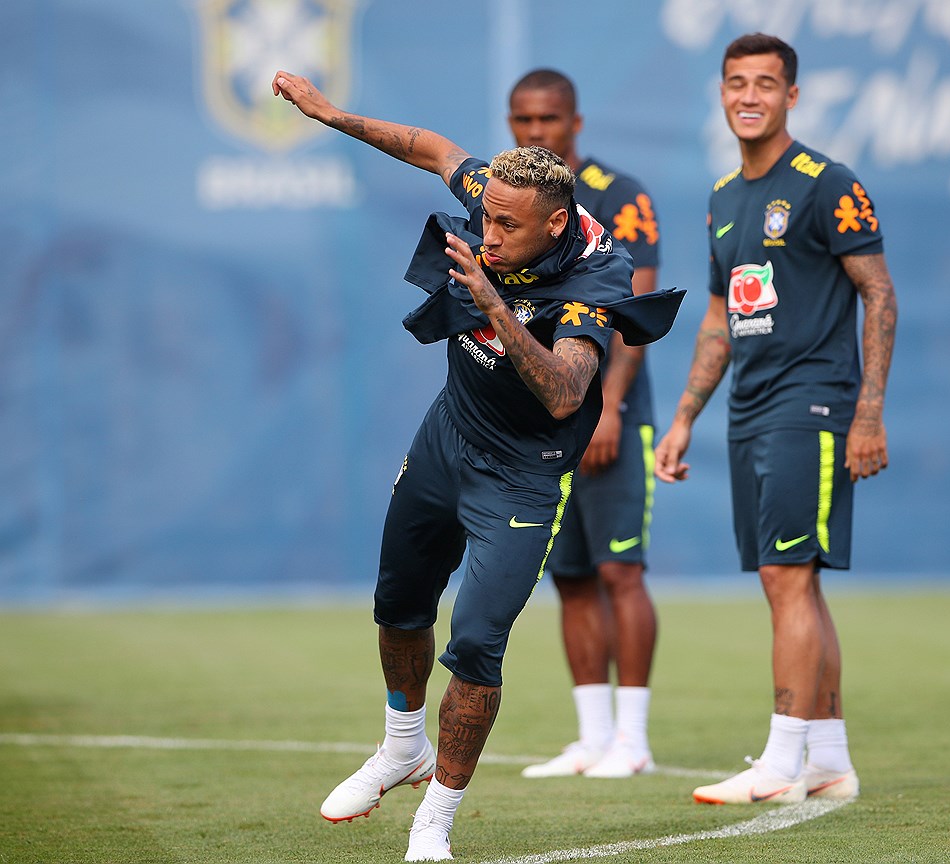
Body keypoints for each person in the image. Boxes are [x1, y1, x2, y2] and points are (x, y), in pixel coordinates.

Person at [271, 71, 681, 861]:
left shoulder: (597, 274)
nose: (486, 236)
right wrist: (329, 114)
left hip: (523, 473)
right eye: (483, 217)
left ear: (556, 222)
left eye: (505, 228)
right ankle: (400, 746)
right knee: (397, 605)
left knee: (479, 642)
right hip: (446, 437)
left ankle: (436, 822)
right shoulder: (499, 194)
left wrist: (496, 307)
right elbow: (430, 149)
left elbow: (565, 392)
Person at [654, 33, 898, 805]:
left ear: (791, 95)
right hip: (747, 410)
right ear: (721, 94)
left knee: (786, 576)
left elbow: (880, 294)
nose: (748, 96)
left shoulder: (827, 183)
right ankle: (828, 757)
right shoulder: (724, 198)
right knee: (794, 584)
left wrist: (866, 415)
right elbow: (722, 314)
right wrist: (685, 415)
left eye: (765, 83)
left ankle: (781, 758)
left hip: (814, 404)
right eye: (735, 83)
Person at [505, 69, 661, 781]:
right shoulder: (506, 199)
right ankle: (592, 736)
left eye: (549, 119)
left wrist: (612, 409)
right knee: (568, 577)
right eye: (523, 120)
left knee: (619, 570)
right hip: (544, 425)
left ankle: (632, 739)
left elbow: (634, 315)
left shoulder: (619, 195)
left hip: (608, 417)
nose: (536, 132)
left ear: (575, 122)